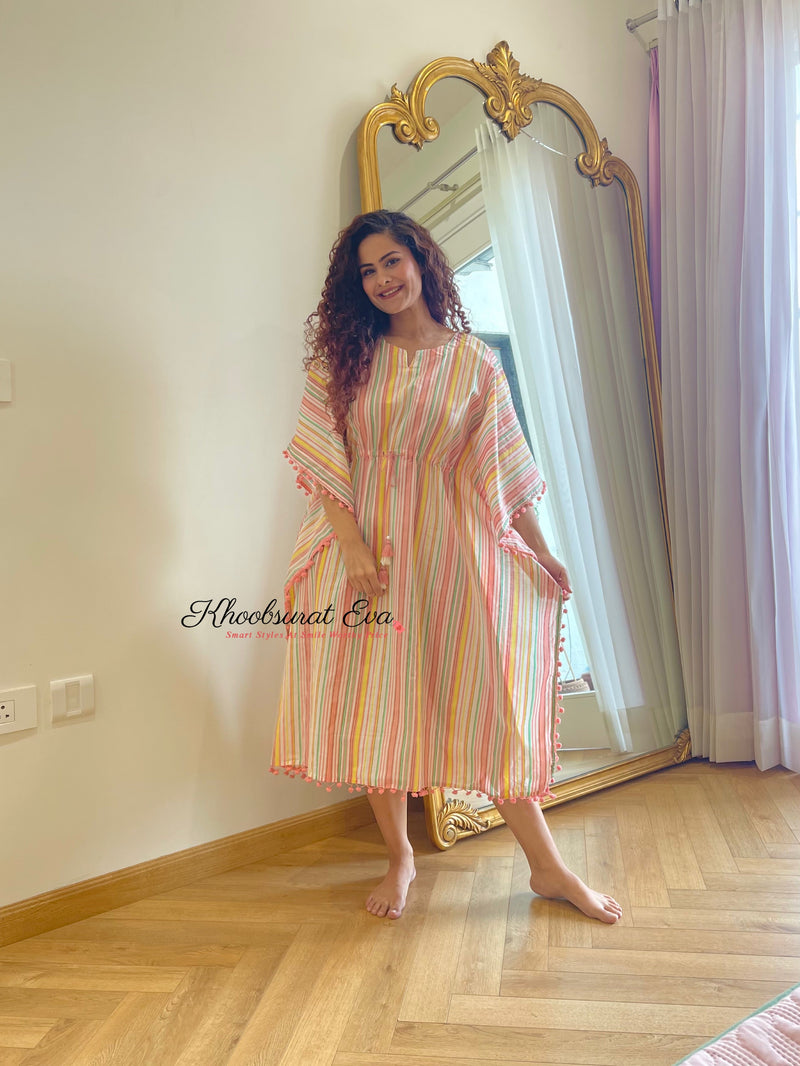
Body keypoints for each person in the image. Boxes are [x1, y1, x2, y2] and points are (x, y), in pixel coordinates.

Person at [271, 210, 622, 925]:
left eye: (391, 261)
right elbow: (323, 463)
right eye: (367, 271)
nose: (382, 279)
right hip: (365, 560)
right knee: (376, 704)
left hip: (453, 555)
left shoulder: (474, 363)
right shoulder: (342, 362)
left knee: (483, 700)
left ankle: (548, 868)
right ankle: (399, 855)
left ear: (421, 261)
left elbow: (503, 470)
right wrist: (353, 546)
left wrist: (542, 548)